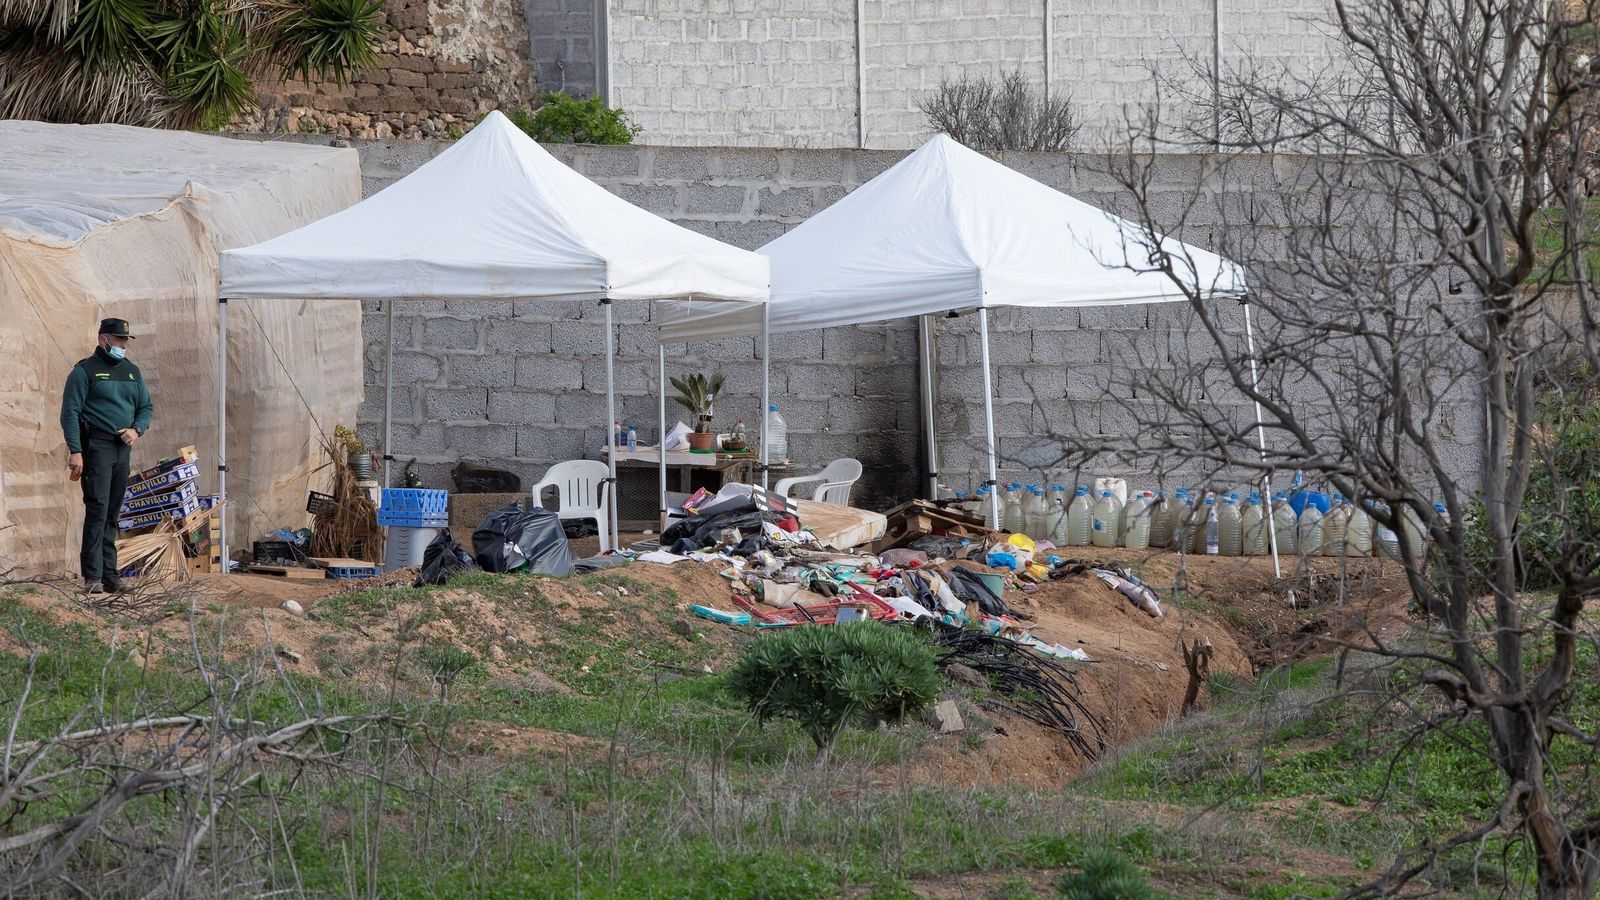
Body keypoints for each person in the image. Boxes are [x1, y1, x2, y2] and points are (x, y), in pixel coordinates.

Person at [60, 318, 153, 595]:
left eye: (125, 341)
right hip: (96, 446)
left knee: (113, 512)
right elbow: (70, 413)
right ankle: (92, 576)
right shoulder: (84, 371)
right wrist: (75, 450)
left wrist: (137, 430)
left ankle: (111, 574)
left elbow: (146, 407)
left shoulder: (132, 372)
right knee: (98, 509)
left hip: (122, 447)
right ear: (104, 339)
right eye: (119, 340)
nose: (123, 345)